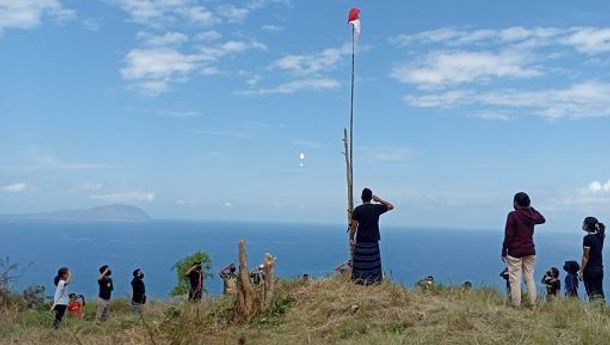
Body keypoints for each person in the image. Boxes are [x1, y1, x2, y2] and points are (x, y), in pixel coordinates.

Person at [501, 192, 545, 307]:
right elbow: (542, 219)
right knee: (529, 278)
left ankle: (516, 305)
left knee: (515, 279)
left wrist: (504, 249)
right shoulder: (531, 215)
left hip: (515, 251)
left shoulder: (513, 215)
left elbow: (509, 235)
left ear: (515, 202)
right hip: (530, 250)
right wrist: (531, 209)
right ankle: (532, 304)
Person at [349, 188, 394, 285]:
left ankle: (359, 281)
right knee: (373, 264)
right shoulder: (376, 208)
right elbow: (391, 206)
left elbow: (354, 226)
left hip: (361, 241)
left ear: (362, 198)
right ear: (371, 198)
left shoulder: (358, 210)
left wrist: (352, 238)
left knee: (360, 263)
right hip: (373, 241)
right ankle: (374, 282)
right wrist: (379, 200)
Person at [579, 217, 605, 302]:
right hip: (599, 267)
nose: (583, 225)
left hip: (590, 269)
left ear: (588, 226)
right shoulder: (600, 236)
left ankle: (594, 309)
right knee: (599, 291)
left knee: (591, 292)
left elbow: (586, 256)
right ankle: (602, 308)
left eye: (584, 223)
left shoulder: (587, 238)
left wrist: (581, 271)